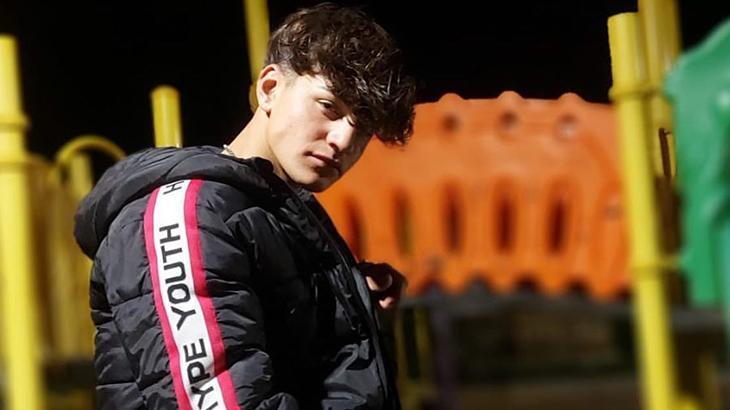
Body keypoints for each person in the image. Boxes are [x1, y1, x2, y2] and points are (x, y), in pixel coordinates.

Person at [74, 3, 416, 409]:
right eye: (329, 107)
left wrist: (361, 315)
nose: (342, 141)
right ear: (269, 88)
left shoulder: (284, 214)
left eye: (363, 130)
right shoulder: (189, 212)